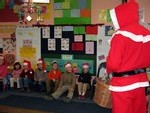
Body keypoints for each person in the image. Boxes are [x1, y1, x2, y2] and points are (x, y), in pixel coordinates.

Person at [106, 0, 150, 113]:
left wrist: (108, 66)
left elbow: (114, 64)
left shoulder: (120, 36)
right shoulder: (146, 33)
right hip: (141, 82)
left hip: (122, 85)